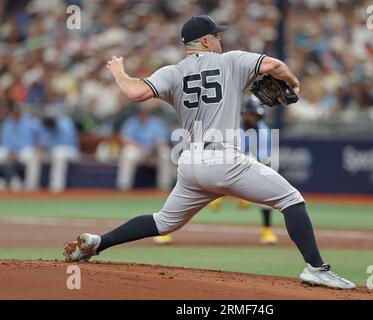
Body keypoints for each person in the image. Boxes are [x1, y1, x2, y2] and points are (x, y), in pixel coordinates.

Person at [64, 15, 355, 289]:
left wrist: (119, 72)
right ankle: (316, 268)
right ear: (204, 42)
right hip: (225, 160)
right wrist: (294, 82)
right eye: (216, 36)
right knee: (291, 199)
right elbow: (275, 66)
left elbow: (135, 93)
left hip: (191, 163)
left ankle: (98, 242)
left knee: (164, 222)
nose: (220, 40)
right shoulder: (231, 61)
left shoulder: (173, 72)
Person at [208, 95, 279, 244]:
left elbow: (262, 162)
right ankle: (167, 229)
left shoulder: (264, 132)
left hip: (246, 164)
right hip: (220, 163)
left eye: (258, 115)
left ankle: (267, 231)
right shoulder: (230, 126)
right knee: (195, 191)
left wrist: (246, 189)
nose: (255, 118)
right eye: (252, 114)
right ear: (244, 113)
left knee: (267, 185)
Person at [116, 106, 173, 191]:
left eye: (145, 112)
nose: (143, 114)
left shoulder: (156, 123)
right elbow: (125, 139)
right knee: (128, 153)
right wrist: (141, 147)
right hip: (139, 152)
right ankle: (123, 187)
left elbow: (162, 141)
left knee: (165, 153)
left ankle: (164, 188)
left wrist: (155, 147)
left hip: (154, 153)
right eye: (141, 113)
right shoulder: (131, 122)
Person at [0, 102, 41, 192]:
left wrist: (38, 147)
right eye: (13, 112)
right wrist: (10, 152)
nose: (15, 114)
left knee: (32, 157)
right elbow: (4, 141)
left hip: (25, 150)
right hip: (9, 151)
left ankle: (31, 186)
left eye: (16, 112)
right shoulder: (7, 124)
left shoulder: (30, 122)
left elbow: (39, 137)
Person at [39, 112, 80, 193]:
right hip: (53, 152)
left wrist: (49, 147)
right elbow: (45, 144)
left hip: (71, 151)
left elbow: (68, 143)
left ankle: (56, 187)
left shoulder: (65, 123)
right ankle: (31, 187)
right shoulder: (47, 127)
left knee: (58, 153)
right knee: (34, 155)